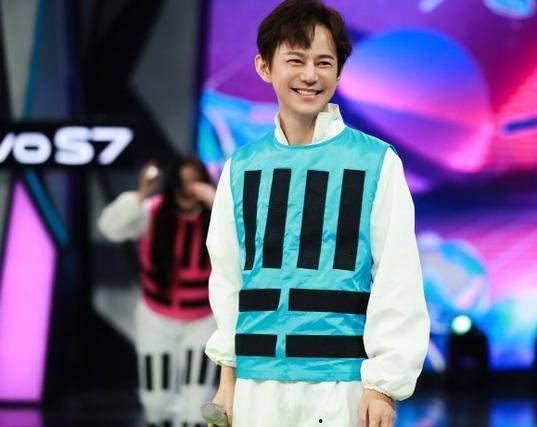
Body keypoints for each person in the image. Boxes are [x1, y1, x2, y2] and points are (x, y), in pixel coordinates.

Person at [204, 1, 430, 426]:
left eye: (324, 62)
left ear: (339, 72)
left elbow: (397, 277)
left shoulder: (376, 162)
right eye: (296, 60)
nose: (310, 75)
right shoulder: (241, 167)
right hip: (256, 387)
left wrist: (383, 386)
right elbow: (229, 280)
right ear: (264, 67)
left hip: (340, 386)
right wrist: (227, 381)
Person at [98, 157, 218, 427]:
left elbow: (250, 241)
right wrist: (141, 194)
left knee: (198, 396)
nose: (188, 191)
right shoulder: (153, 212)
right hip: (157, 316)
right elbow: (110, 228)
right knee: (155, 397)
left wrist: (218, 203)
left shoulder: (219, 218)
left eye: (194, 183)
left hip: (203, 318)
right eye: (182, 183)